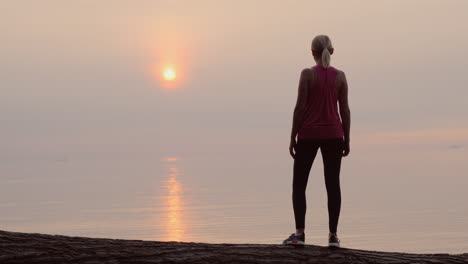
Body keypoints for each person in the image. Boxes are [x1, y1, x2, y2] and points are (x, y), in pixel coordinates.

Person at [282, 35, 351, 248]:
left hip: (308, 135)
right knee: (333, 185)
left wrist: (293, 135)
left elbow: (299, 107)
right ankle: (333, 237)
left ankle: (299, 235)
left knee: (299, 185)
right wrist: (347, 138)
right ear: (332, 51)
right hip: (334, 135)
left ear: (312, 53)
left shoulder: (307, 74)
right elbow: (345, 110)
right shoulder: (340, 76)